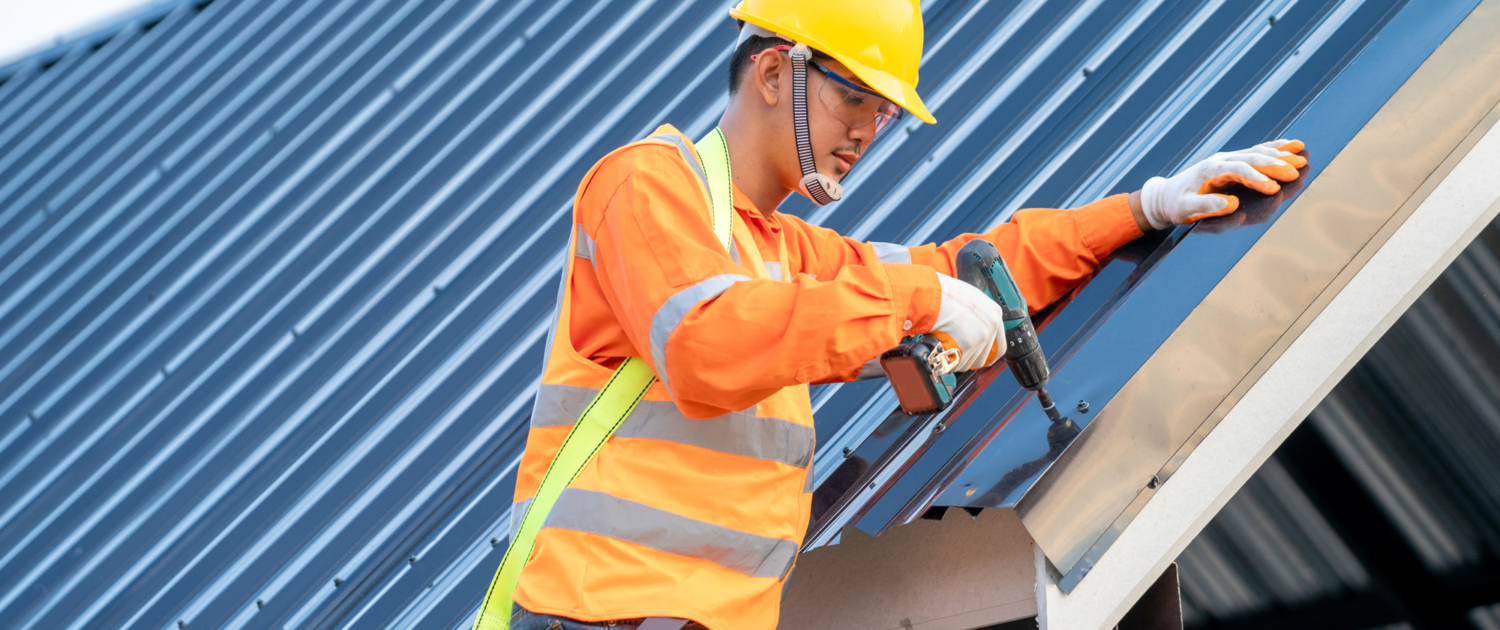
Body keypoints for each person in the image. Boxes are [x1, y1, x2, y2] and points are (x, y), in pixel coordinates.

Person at [480, 1, 1307, 629]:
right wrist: (920, 300)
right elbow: (709, 344)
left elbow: (966, 268)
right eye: (856, 100)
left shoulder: (785, 253)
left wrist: (1143, 208)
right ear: (775, 72)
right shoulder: (647, 184)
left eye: (885, 115)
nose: (870, 132)